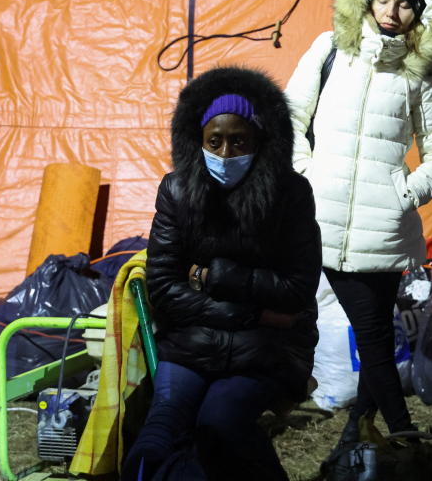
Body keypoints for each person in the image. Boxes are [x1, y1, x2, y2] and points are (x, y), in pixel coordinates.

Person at [285, 0, 432, 450]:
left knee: (374, 336)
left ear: (419, 13)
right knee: (363, 333)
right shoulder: (328, 50)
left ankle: (378, 431)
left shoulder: (420, 75)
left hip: (382, 230)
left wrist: (401, 195)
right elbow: (291, 117)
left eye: (405, 4)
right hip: (321, 216)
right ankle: (383, 429)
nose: (392, 11)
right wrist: (304, 171)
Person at [123, 66, 322, 481]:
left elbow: (298, 289)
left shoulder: (290, 195)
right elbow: (163, 284)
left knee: (219, 423)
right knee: (155, 438)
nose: (226, 154)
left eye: (239, 141)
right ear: (197, 140)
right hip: (193, 345)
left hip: (268, 350)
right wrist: (246, 311)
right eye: (215, 142)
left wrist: (218, 276)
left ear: (260, 141)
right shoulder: (176, 191)